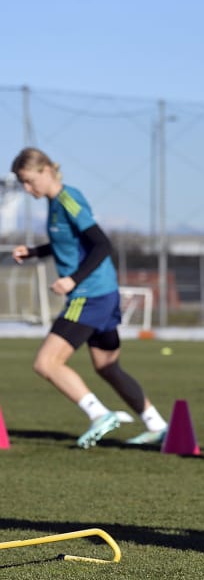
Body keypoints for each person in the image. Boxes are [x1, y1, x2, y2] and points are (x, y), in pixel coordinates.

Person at [9, 147, 170, 447]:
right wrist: (33, 252)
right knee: (108, 367)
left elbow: (101, 244)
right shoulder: (56, 204)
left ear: (45, 171)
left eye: (28, 181)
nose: (27, 189)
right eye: (22, 183)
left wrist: (73, 280)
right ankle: (157, 424)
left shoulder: (68, 199)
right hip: (102, 294)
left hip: (89, 295)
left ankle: (98, 415)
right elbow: (67, 243)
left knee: (46, 363)